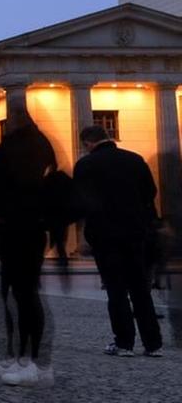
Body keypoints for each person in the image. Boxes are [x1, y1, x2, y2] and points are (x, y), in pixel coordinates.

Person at [73, 125, 164, 357]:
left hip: (104, 235)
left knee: (116, 289)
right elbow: (149, 193)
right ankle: (152, 343)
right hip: (135, 232)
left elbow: (81, 202)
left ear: (87, 143)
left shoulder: (85, 165)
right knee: (140, 289)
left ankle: (124, 342)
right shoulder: (135, 160)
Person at [0, 108, 57, 385]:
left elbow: (7, 185)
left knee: (24, 295)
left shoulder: (21, 147)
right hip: (22, 227)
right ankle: (17, 359)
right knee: (15, 294)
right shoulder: (36, 145)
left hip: (22, 226)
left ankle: (34, 362)